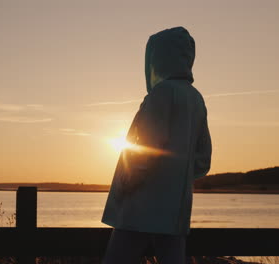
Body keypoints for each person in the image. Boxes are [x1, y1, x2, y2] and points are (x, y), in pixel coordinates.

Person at [101, 26, 212, 264]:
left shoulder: (161, 94)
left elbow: (148, 148)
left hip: (139, 207)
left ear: (158, 58)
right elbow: (203, 159)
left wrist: (128, 180)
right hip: (176, 212)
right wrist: (178, 177)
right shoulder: (196, 99)